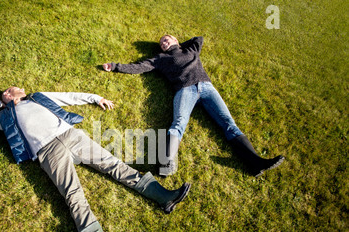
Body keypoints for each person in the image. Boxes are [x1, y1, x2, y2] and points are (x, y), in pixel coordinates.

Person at [0, 87, 191, 232]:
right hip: (48, 153)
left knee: (113, 165)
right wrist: (2, 104)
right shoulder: (5, 118)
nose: (11, 90)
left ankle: (164, 197)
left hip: (71, 135)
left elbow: (67, 97)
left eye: (12, 88)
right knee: (73, 196)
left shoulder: (37, 97)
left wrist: (95, 97)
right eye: (7, 91)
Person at [103, 35, 285, 177]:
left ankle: (256, 162)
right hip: (184, 90)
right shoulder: (160, 58)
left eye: (166, 39)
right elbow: (139, 67)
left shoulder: (191, 49)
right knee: (179, 122)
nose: (163, 43)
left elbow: (199, 38)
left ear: (175, 39)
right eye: (161, 43)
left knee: (228, 123)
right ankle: (166, 162)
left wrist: (178, 45)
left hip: (207, 87)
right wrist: (115, 66)